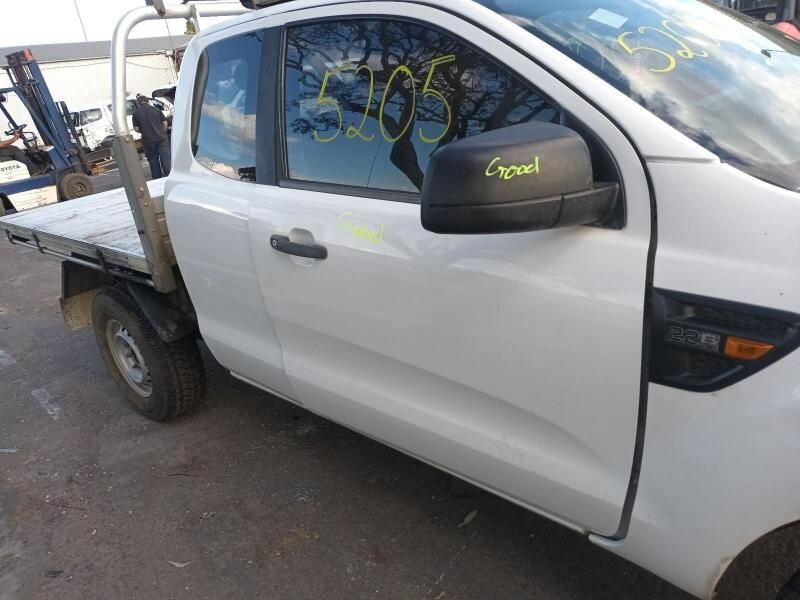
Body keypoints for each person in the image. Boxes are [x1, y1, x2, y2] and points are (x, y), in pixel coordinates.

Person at [132, 95, 171, 179]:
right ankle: (169, 176)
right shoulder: (156, 109)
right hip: (161, 138)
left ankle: (157, 179)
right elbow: (165, 123)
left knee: (153, 161)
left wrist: (144, 131)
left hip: (148, 140)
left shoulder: (135, 114)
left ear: (138, 103)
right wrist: (163, 132)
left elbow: (136, 129)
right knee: (165, 158)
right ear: (148, 101)